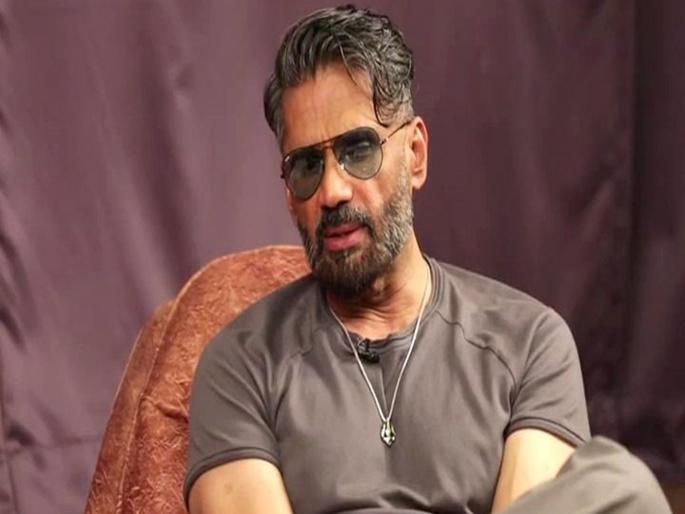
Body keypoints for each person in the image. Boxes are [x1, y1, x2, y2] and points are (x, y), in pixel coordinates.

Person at [183, 5, 672, 514]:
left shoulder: (528, 343)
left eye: (358, 150)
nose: (331, 191)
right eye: (307, 165)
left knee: (622, 483)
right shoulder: (241, 363)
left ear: (415, 154)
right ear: (288, 196)